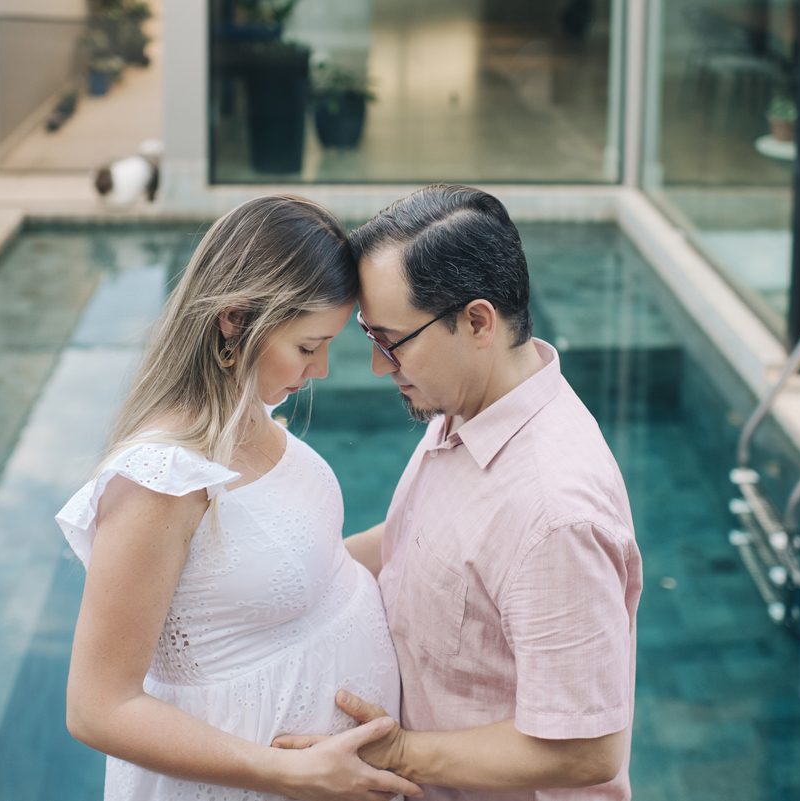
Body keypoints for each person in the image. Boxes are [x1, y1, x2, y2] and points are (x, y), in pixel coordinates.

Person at [274, 185, 644, 800]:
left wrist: (398, 755)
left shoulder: (554, 514)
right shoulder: (468, 405)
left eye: (391, 341)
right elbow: (409, 541)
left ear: (477, 322)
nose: (377, 366)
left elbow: (587, 751)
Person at [56, 195, 422, 801]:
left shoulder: (253, 412)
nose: (323, 368)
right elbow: (97, 707)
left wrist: (451, 519)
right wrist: (291, 773)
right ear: (233, 318)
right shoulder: (160, 479)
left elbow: (310, 569)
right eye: (308, 346)